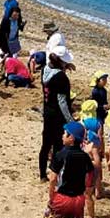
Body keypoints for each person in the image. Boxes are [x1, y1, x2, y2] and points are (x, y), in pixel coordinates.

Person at [44, 121, 93, 218]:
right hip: (78, 198)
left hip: (63, 195)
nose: (62, 135)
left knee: (49, 217)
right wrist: (88, 191)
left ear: (71, 138)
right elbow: (90, 176)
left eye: (65, 133)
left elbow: (53, 178)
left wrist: (51, 194)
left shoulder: (61, 154)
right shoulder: (84, 157)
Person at [39, 46, 75, 181]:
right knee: (58, 146)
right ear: (61, 62)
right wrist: (71, 121)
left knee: (45, 144)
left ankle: (42, 175)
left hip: (47, 111)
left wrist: (64, 66)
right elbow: (62, 102)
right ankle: (56, 175)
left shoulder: (45, 70)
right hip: (58, 116)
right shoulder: (62, 78)